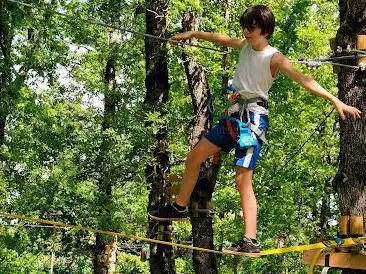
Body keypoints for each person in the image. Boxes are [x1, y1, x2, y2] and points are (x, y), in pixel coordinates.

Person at [149, 5, 361, 254]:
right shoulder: (245, 46)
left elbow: (304, 79)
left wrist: (335, 100)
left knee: (242, 180)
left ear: (265, 30)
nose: (246, 32)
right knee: (194, 157)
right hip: (232, 119)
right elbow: (220, 38)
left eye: (252, 27)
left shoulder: (274, 57)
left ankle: (250, 240)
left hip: (252, 122)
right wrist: (192, 35)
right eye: (245, 27)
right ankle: (180, 206)